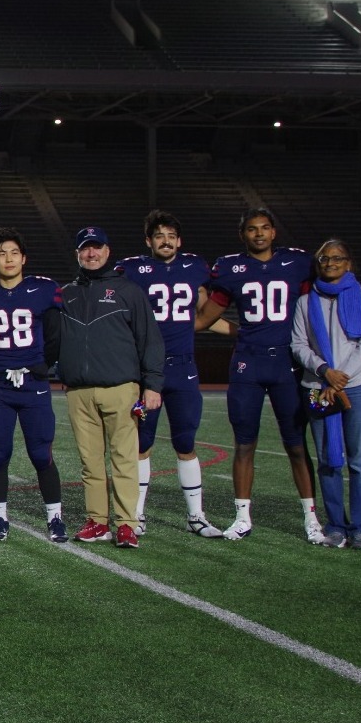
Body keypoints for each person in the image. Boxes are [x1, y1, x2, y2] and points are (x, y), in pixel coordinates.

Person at [195, 208, 320, 542]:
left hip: (287, 361)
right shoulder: (232, 268)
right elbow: (205, 317)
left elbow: (315, 312)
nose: (259, 234)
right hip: (248, 362)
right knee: (244, 444)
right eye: (252, 229)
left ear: (274, 232)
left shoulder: (297, 264)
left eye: (265, 228)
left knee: (296, 444)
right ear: (243, 235)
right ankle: (242, 518)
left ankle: (311, 519)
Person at [116, 211, 225, 537]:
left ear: (180, 240)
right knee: (142, 443)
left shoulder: (194, 267)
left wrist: (241, 330)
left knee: (186, 441)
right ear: (148, 241)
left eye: (171, 235)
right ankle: (136, 514)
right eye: (159, 236)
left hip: (184, 366)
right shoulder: (134, 269)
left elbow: (205, 313)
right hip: (148, 369)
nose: (166, 241)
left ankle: (196, 516)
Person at [60, 227, 165, 549]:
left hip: (121, 388)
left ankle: (126, 524)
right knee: (90, 462)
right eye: (85, 249)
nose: (91, 254)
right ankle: (97, 521)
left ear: (107, 251)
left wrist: (153, 384)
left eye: (96, 248)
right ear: (78, 253)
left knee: (124, 458)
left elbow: (150, 339)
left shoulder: (129, 291)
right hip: (79, 391)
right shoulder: (66, 293)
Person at [0, 229, 68, 543]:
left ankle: (55, 518)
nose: (8, 259)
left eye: (13, 253)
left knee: (41, 453)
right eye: (1, 254)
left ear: (24, 257)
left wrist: (39, 367)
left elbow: (54, 337)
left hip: (34, 383)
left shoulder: (43, 289)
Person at [290, 240, 361, 550]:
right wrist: (325, 370)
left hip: (358, 387)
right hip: (317, 387)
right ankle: (336, 525)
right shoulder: (304, 302)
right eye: (325, 258)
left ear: (348, 263)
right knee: (328, 460)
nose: (331, 263)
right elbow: (298, 345)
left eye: (338, 258)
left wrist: (341, 378)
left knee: (360, 462)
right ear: (318, 263)